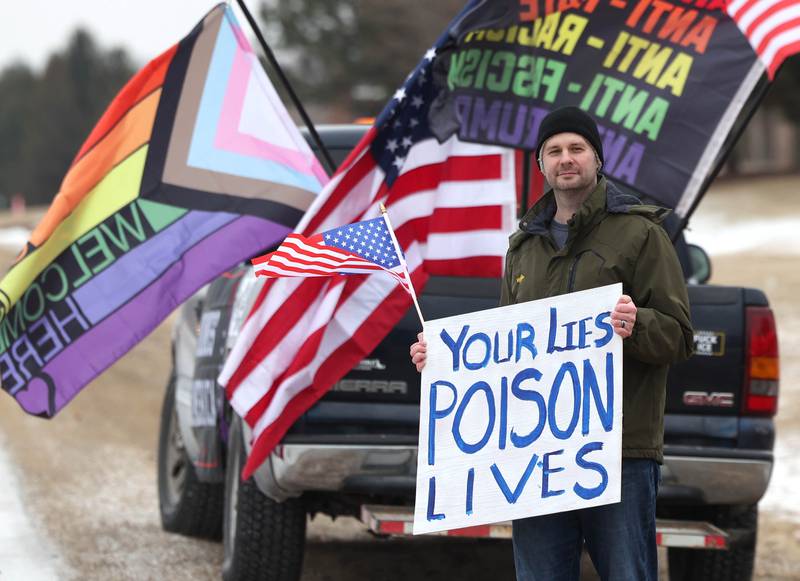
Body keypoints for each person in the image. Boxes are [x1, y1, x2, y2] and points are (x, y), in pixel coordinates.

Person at [409, 106, 694, 581]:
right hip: (535, 460)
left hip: (619, 453)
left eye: (577, 149)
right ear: (541, 164)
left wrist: (636, 323)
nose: (567, 159)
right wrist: (443, 361)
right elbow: (503, 354)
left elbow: (680, 337)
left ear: (597, 159)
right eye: (555, 151)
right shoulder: (523, 249)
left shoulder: (641, 233)